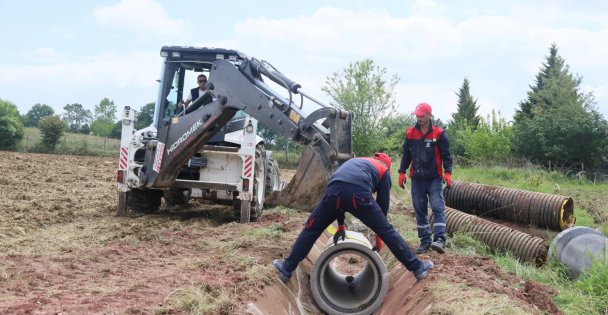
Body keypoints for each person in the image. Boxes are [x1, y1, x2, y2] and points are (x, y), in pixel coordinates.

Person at [273, 153, 433, 283]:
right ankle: (418, 268)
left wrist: (341, 225)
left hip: (332, 192)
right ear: (388, 165)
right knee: (388, 231)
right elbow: (383, 206)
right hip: (358, 195)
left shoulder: (358, 161)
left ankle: (287, 269)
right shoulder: (384, 170)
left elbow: (342, 190)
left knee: (311, 229)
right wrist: (379, 234)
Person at [398, 102, 453, 255]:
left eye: (422, 115)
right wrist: (401, 172)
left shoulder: (439, 134)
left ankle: (440, 240)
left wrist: (448, 173)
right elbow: (406, 155)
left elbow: (446, 156)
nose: (419, 118)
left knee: (437, 207)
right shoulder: (410, 133)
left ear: (429, 115)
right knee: (420, 210)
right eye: (417, 115)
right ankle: (425, 241)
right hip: (417, 179)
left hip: (434, 178)